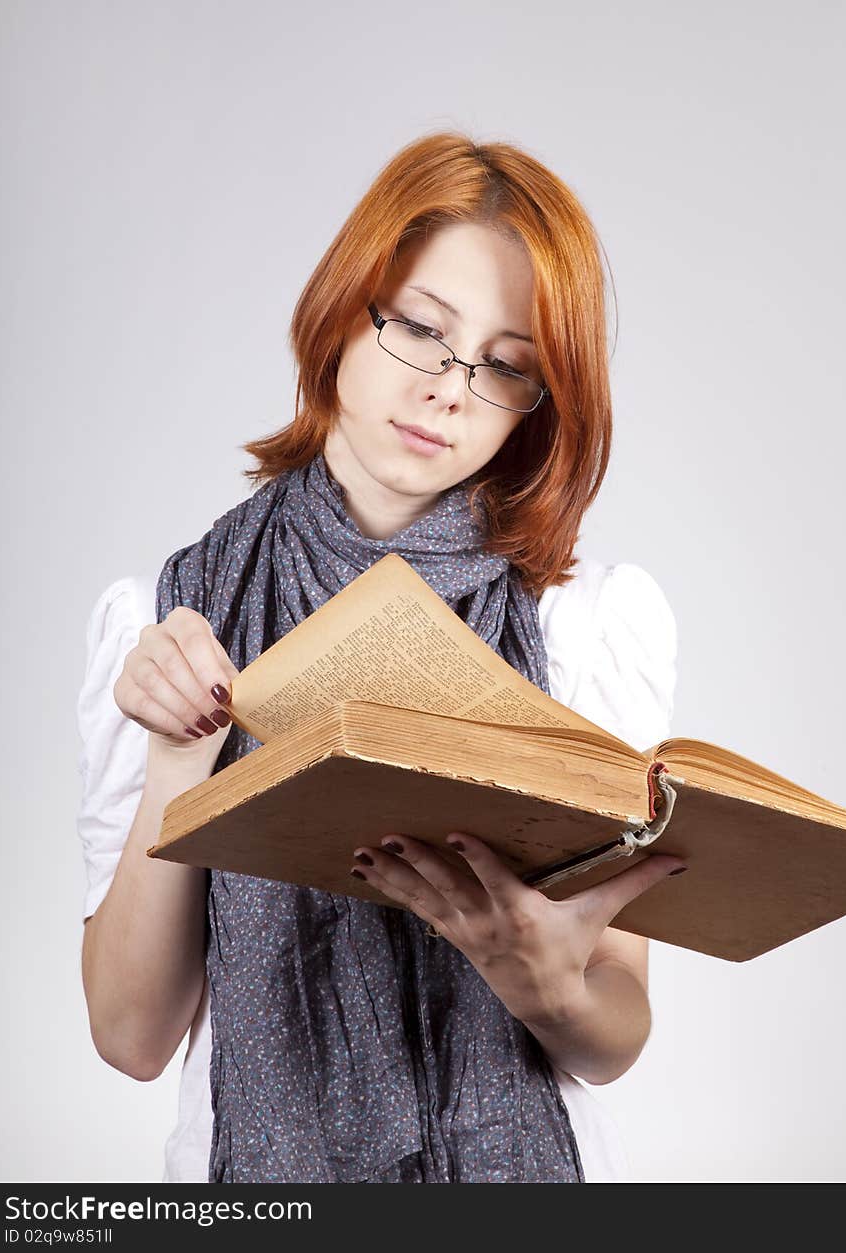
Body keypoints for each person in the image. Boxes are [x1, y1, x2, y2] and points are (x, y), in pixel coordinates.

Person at [77, 131, 683, 1184]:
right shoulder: (166, 618)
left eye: (506, 367)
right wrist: (180, 762)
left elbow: (616, 1029)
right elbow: (131, 1037)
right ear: (342, 308)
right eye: (419, 327)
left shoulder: (587, 622)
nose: (450, 388)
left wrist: (544, 981)